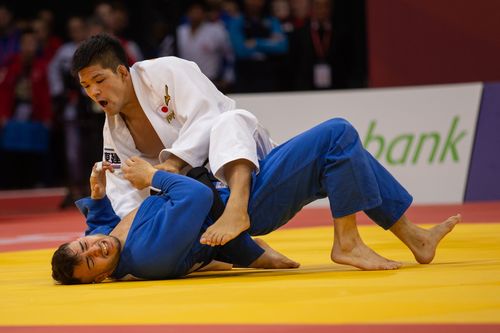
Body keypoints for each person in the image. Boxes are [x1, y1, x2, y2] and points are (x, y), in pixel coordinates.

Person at [51, 118, 460, 284]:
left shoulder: (108, 240)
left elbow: (98, 227)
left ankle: (416, 240)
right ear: (100, 278)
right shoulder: (148, 256)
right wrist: (153, 176)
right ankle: (347, 242)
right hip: (246, 207)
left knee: (344, 157)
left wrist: (98, 197)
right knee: (338, 133)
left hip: (234, 197)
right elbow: (195, 196)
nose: (95, 247)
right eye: (92, 260)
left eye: (84, 246)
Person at [72, 33, 275, 247]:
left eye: (99, 80)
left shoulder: (166, 72)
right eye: (86, 86)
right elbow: (122, 191)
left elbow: (207, 114)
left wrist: (174, 162)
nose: (94, 91)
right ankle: (241, 250)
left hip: (253, 163)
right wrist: (126, 237)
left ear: (122, 72)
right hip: (208, 198)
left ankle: (237, 211)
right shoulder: (113, 130)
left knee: (231, 120)